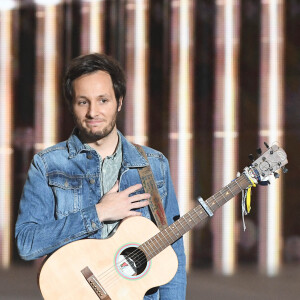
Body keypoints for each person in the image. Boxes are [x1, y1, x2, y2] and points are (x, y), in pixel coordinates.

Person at [15, 53, 186, 299]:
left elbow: (173, 251)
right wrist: (98, 213)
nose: (93, 112)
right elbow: (27, 243)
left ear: (119, 101)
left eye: (103, 100)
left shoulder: (154, 165)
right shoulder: (47, 164)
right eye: (83, 102)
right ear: (71, 105)